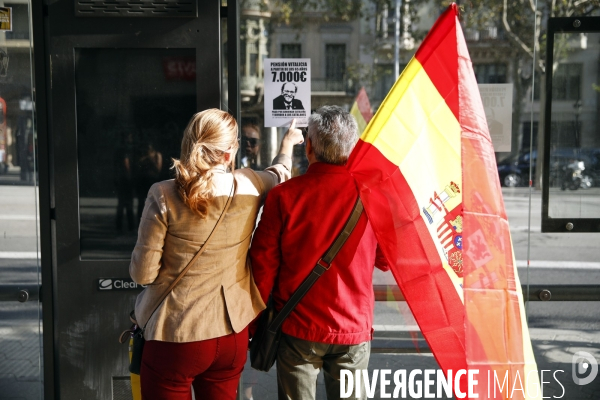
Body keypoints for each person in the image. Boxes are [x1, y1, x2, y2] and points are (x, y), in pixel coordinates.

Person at [129, 109, 304, 400]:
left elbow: (143, 274)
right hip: (231, 334)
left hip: (176, 335)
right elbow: (280, 174)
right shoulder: (249, 184)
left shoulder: (163, 194)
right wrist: (286, 145)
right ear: (228, 153)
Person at [250, 105, 388, 400]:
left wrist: (255, 320)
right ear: (352, 149)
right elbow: (386, 261)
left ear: (308, 146)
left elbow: (262, 265)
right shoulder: (372, 195)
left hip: (297, 326)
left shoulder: (283, 196)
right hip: (353, 328)